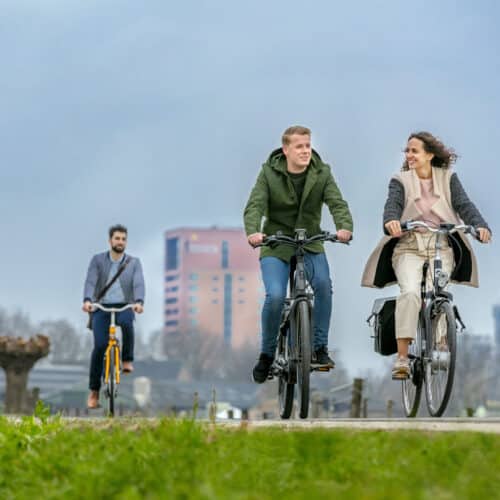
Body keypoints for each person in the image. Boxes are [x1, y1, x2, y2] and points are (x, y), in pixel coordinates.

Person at [362, 131, 491, 379]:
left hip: (441, 244)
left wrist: (480, 226)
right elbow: (393, 204)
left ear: (429, 155)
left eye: (415, 151)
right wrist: (391, 221)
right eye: (407, 151)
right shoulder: (400, 179)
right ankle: (402, 357)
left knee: (437, 292)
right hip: (408, 246)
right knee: (410, 293)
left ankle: (440, 343)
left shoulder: (448, 178)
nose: (409, 155)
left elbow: (465, 205)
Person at [244, 125, 353, 383]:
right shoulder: (269, 173)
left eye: (308, 145)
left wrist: (344, 227)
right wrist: (253, 231)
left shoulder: (322, 172)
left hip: (310, 243)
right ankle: (267, 354)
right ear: (286, 150)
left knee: (324, 286)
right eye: (299, 146)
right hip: (276, 244)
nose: (305, 151)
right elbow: (255, 205)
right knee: (275, 296)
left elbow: (337, 202)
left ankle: (319, 348)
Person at [82, 224, 145, 408]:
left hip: (124, 305)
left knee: (127, 324)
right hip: (100, 306)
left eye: (123, 239)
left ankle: (126, 359)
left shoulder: (133, 263)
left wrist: (139, 302)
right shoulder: (98, 260)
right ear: (110, 240)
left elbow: (138, 283)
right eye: (117, 238)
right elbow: (90, 280)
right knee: (100, 346)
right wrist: (87, 300)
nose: (120, 242)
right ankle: (94, 392)